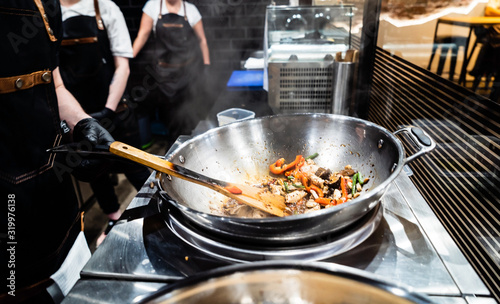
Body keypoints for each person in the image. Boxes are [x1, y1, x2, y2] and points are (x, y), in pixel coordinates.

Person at [0, 0, 115, 303]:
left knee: (77, 288)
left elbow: (55, 84)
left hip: (55, 191)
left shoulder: (46, 3)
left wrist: (82, 123)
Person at [58, 0, 151, 241]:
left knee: (137, 166)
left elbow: (123, 67)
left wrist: (108, 111)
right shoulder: (51, 12)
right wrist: (77, 118)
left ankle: (156, 214)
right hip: (78, 114)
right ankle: (113, 219)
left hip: (114, 110)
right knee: (95, 172)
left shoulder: (104, 7)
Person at [132, 0, 211, 145]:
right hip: (163, 73)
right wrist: (128, 57)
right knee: (170, 115)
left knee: (186, 114)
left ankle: (185, 146)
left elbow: (202, 40)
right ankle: (174, 147)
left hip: (187, 72)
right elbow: (142, 35)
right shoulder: (153, 6)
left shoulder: (190, 10)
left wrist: (206, 65)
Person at [469, 0, 500, 100]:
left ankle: (479, 71)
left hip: (491, 34)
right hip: (487, 31)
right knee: (493, 40)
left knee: (491, 43)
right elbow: (489, 11)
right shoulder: (494, 1)